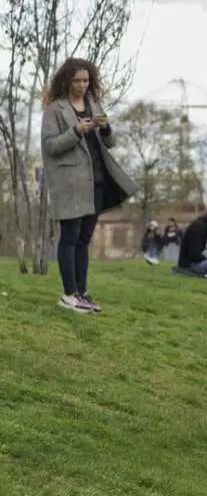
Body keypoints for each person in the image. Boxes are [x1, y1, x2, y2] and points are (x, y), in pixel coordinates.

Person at [41, 57, 139, 314]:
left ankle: (82, 293)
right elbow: (50, 146)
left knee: (84, 239)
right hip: (70, 183)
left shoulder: (93, 104)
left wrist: (105, 128)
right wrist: (77, 131)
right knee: (70, 237)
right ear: (67, 80)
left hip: (96, 181)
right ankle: (69, 295)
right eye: (77, 81)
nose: (82, 85)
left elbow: (110, 143)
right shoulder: (55, 110)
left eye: (86, 80)